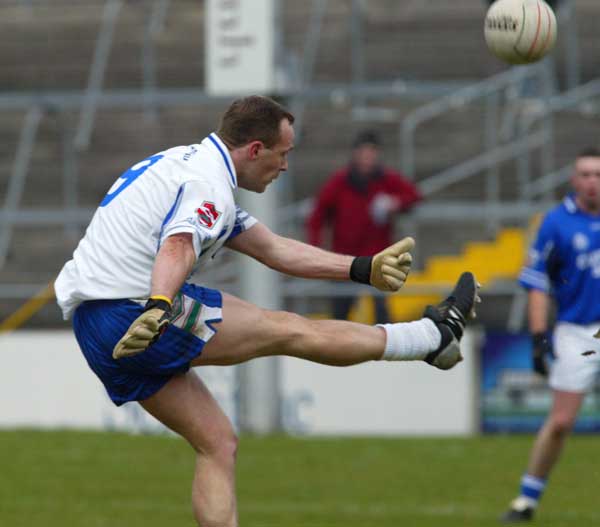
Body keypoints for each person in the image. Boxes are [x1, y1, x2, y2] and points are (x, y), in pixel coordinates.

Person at [54, 95, 479, 527]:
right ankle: (432, 338)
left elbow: (274, 249)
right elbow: (178, 243)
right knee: (287, 329)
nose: (286, 166)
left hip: (95, 325)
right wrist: (160, 304)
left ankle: (432, 339)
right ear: (255, 150)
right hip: (138, 312)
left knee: (217, 442)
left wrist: (362, 268)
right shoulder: (209, 186)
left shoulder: (189, 164)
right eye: (283, 153)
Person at [501, 147, 600, 523]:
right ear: (574, 180)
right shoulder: (556, 223)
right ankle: (526, 499)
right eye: (586, 174)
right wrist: (539, 337)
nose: (593, 181)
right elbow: (538, 284)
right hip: (576, 332)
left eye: (598, 174)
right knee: (560, 422)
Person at [307, 129, 422, 323]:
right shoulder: (340, 181)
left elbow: (414, 195)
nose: (368, 158)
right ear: (356, 154)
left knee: (381, 312)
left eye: (372, 153)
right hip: (345, 257)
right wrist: (316, 248)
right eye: (364, 152)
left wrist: (395, 203)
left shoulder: (387, 179)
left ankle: (383, 351)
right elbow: (318, 215)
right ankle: (339, 350)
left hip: (377, 257)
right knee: (340, 314)